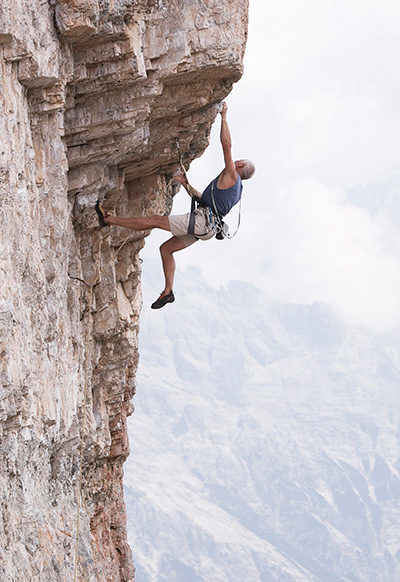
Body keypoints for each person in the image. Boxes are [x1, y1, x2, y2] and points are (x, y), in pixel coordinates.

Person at [95, 102, 255, 309]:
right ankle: (168, 290)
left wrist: (224, 117)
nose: (235, 161)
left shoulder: (233, 175)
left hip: (201, 222)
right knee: (166, 249)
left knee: (154, 221)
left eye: (238, 161)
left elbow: (227, 146)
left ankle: (108, 219)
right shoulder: (237, 191)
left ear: (240, 166)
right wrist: (185, 183)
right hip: (207, 228)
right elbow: (206, 201)